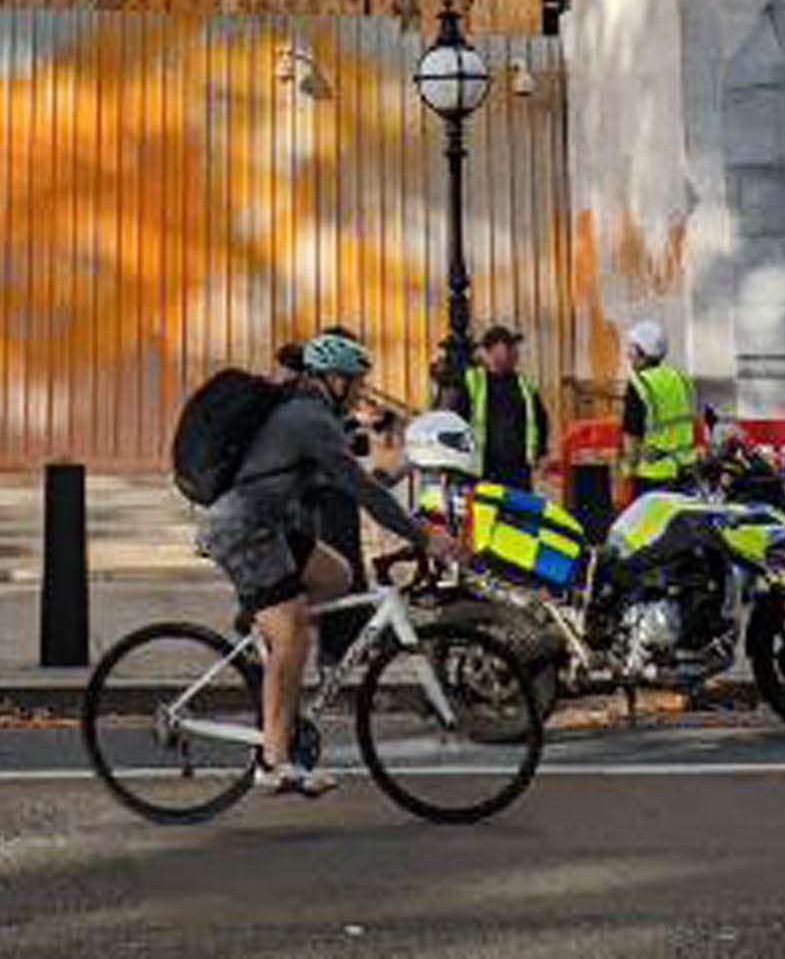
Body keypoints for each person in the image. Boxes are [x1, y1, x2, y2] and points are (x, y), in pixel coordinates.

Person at [198, 328, 426, 798]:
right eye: (357, 381)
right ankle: (273, 762)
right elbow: (362, 491)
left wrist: (401, 466)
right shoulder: (308, 418)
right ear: (334, 379)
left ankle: (264, 626)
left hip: (268, 527)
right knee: (295, 634)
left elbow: (352, 481)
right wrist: (425, 538)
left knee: (337, 576)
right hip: (243, 531)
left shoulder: (310, 414)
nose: (361, 391)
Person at [454, 324, 550, 494]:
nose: (515, 353)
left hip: (518, 470)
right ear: (491, 352)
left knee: (518, 518)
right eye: (508, 347)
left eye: (514, 347)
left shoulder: (525, 384)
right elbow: (456, 420)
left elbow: (540, 420)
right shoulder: (473, 381)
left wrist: (541, 453)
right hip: (482, 469)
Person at [618, 319, 706, 498]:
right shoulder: (681, 378)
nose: (628, 354)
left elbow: (632, 437)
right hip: (686, 472)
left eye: (632, 348)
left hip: (653, 477)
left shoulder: (639, 384)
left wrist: (627, 470)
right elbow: (695, 422)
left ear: (642, 351)